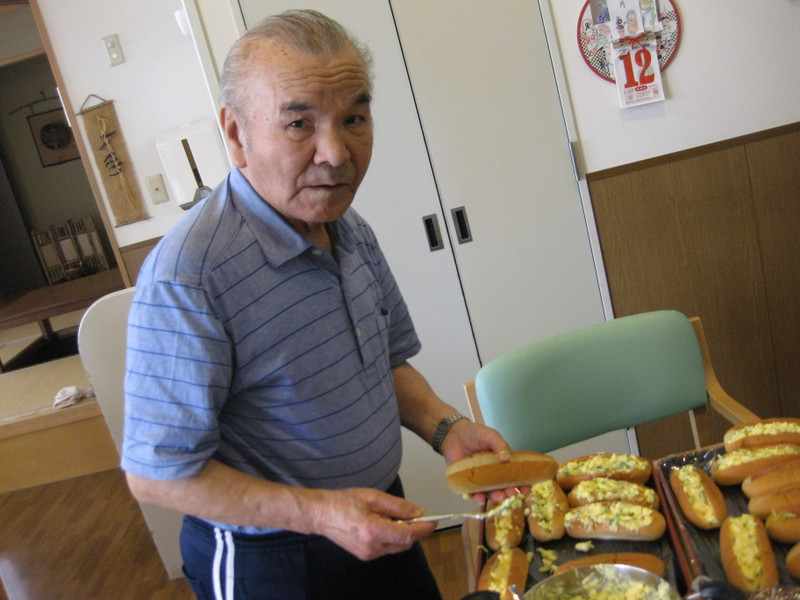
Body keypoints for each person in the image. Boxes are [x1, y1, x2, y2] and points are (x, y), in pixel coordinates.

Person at [122, 10, 515, 600]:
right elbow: (156, 474)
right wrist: (323, 515)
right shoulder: (189, 277)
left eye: (353, 118)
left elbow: (382, 363)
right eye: (299, 123)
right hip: (274, 558)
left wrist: (447, 429)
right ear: (236, 134)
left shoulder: (347, 225)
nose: (335, 153)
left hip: (376, 517)